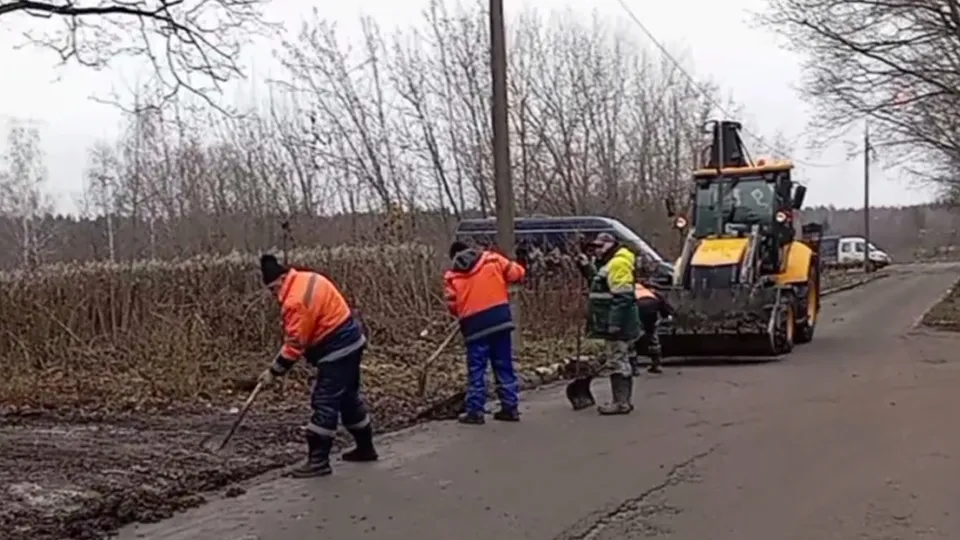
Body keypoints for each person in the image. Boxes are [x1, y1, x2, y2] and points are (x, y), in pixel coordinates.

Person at [256, 254, 378, 478]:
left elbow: (295, 344)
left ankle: (318, 461)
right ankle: (365, 448)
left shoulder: (295, 300)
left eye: (273, 290)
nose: (274, 296)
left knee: (325, 401)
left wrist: (274, 372)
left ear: (282, 280)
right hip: (352, 340)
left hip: (338, 349)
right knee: (348, 398)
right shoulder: (308, 277)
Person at [444, 241, 526, 425]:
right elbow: (517, 274)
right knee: (503, 364)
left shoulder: (452, 276)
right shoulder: (493, 260)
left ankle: (475, 411)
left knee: (477, 369)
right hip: (500, 319)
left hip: (473, 325)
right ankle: (510, 407)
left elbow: (452, 305)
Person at [573, 233, 641, 415]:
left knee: (618, 359)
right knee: (617, 359)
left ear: (610, 245)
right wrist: (586, 267)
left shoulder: (618, 263)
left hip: (618, 323)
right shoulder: (609, 264)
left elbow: (623, 297)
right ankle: (621, 400)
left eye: (599, 247)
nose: (596, 251)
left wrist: (614, 323)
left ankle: (621, 402)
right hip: (612, 321)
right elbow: (599, 284)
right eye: (594, 247)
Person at [631, 281, 673, 375]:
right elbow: (663, 303)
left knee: (634, 339)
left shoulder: (631, 289)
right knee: (652, 336)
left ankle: (634, 368)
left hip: (639, 306)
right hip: (652, 307)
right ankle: (656, 364)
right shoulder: (650, 291)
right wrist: (666, 314)